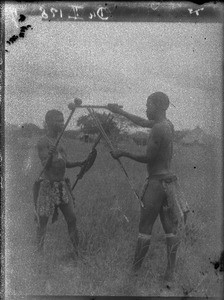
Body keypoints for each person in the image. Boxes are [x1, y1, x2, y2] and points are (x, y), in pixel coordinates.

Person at [108, 92, 189, 282]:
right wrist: (120, 112)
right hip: (170, 183)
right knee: (170, 229)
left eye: (148, 105)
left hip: (156, 184)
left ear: (157, 106)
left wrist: (123, 153)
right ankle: (170, 273)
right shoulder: (168, 125)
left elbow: (149, 158)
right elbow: (143, 123)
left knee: (144, 228)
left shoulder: (158, 130)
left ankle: (134, 272)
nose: (145, 109)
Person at [33, 109, 86, 255]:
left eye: (63, 120)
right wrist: (51, 155)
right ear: (49, 122)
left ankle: (77, 253)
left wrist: (80, 163)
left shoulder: (61, 142)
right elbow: (45, 165)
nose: (62, 123)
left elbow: (65, 163)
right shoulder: (43, 142)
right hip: (47, 186)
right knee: (43, 222)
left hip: (62, 186)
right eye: (58, 120)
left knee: (72, 219)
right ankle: (39, 252)